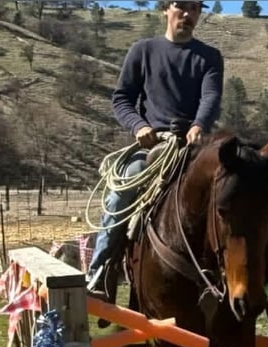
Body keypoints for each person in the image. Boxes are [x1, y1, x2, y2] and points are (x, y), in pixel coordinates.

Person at [86, 0, 224, 298]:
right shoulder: (143, 51)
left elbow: (210, 96)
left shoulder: (210, 57)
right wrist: (140, 127)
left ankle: (258, 269)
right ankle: (100, 271)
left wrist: (199, 125)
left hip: (193, 146)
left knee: (237, 189)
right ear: (166, 8)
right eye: (181, 6)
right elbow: (122, 99)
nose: (187, 14)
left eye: (195, 8)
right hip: (154, 147)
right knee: (122, 190)